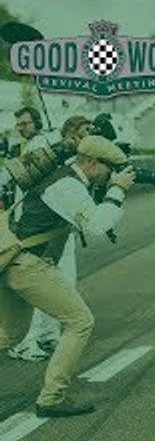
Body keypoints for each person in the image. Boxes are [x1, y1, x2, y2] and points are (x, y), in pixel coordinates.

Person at [0, 136, 135, 417]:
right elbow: (97, 225)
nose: (111, 176)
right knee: (80, 321)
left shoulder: (58, 177)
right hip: (28, 265)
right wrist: (117, 190)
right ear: (90, 162)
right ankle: (51, 398)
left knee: (11, 334)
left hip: (13, 261)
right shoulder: (68, 186)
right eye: (109, 169)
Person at [6, 115, 91, 362]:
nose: (89, 134)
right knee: (37, 286)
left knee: (64, 283)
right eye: (84, 130)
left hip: (61, 227)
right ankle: (25, 342)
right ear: (72, 132)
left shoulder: (72, 151)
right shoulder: (44, 147)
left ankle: (48, 334)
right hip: (38, 229)